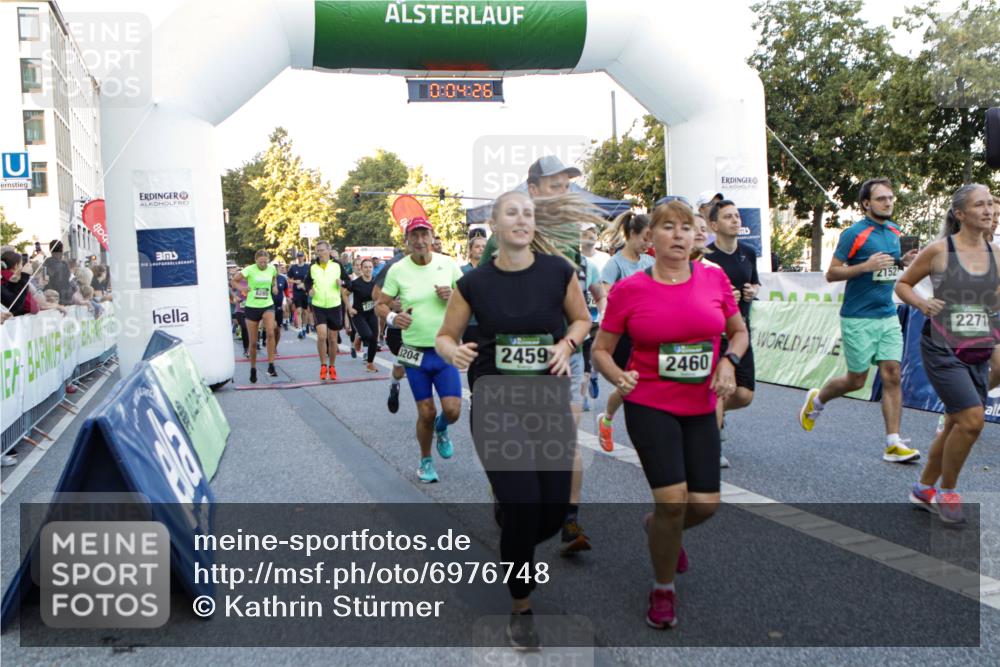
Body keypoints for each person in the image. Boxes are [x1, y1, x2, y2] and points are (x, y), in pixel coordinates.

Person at [436, 190, 591, 650]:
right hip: (496, 402)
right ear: (495, 224)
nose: (521, 220)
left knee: (548, 514)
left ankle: (510, 513)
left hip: (547, 404)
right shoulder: (474, 284)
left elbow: (581, 321)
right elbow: (446, 336)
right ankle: (521, 608)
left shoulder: (558, 272)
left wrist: (566, 345)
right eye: (512, 213)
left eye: (527, 213)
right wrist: (454, 351)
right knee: (526, 510)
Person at [592, 199, 748, 629]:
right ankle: (663, 589)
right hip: (649, 403)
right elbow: (600, 350)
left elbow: (738, 332)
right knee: (673, 501)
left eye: (686, 227)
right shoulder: (630, 290)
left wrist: (728, 362)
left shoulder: (713, 280)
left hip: (700, 406)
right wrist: (618, 376)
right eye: (668, 227)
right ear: (650, 239)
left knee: (706, 504)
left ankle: (660, 527)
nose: (679, 235)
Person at [799, 178, 921, 463]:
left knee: (892, 373)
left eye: (891, 197)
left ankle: (893, 443)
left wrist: (904, 261)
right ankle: (817, 400)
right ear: (866, 203)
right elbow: (832, 273)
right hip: (858, 317)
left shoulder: (894, 231)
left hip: (887, 314)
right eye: (881, 199)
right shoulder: (854, 234)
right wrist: (865, 266)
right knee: (856, 380)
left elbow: (889, 267)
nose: (888, 202)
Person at [896, 184, 996, 524]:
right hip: (942, 347)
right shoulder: (939, 250)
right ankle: (947, 491)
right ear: (960, 214)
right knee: (971, 420)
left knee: (955, 422)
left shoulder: (996, 253)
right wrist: (923, 303)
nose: (988, 210)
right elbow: (903, 284)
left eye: (991, 205)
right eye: (980, 205)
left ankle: (923, 488)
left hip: (979, 347)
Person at [375, 217, 463, 483]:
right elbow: (381, 303)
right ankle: (425, 461)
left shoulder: (447, 264)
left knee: (453, 411)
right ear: (407, 241)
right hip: (413, 350)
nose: (420, 241)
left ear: (432, 237)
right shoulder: (398, 270)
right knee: (426, 411)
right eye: (414, 236)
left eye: (424, 235)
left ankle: (442, 429)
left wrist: (454, 296)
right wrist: (392, 318)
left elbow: (470, 296)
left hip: (444, 347)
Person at [705, 200, 761, 468]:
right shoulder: (706, 257)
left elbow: (756, 281)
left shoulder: (748, 252)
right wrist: (723, 298)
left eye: (737, 216)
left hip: (741, 332)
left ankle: (707, 415)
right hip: (715, 333)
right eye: (728, 217)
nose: (736, 221)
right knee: (716, 391)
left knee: (744, 395)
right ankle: (711, 448)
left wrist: (752, 292)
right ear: (714, 225)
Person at [596, 211, 654, 452]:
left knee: (641, 384)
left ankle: (607, 419)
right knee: (633, 384)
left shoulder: (651, 263)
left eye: (651, 239)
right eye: (645, 238)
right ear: (631, 234)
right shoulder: (615, 264)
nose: (649, 244)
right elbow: (605, 297)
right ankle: (609, 419)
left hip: (650, 333)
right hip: (624, 336)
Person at [304, 240, 350, 381]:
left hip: (334, 305)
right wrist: (309, 290)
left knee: (332, 338)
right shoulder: (313, 266)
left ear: (329, 251)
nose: (320, 253)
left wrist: (341, 283)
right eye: (317, 251)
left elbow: (348, 282)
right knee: (322, 336)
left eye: (322, 250)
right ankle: (323, 365)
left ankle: (332, 366)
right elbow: (307, 281)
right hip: (318, 305)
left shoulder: (337, 265)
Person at [230, 250, 279, 383]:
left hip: (267, 304)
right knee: (253, 342)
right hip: (252, 306)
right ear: (256, 260)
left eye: (265, 261)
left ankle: (271, 365)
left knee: (270, 333)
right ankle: (253, 368)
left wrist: (274, 287)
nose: (263, 264)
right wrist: (242, 289)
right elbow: (234, 281)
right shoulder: (249, 270)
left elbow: (274, 278)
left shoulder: (272, 269)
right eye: (260, 262)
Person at [374, 247, 409, 412]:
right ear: (406, 243)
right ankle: (394, 385)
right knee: (401, 367)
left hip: (424, 328)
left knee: (424, 368)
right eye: (414, 237)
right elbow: (376, 295)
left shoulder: (435, 263)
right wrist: (392, 305)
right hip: (398, 325)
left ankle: (428, 409)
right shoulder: (393, 265)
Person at [347, 258, 380, 373]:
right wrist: (349, 308)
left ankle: (370, 364)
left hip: (372, 313)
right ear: (361, 269)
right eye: (365, 267)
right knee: (368, 335)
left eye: (370, 267)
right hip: (358, 314)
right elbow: (344, 293)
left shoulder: (376, 282)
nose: (368, 269)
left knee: (374, 339)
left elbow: (380, 296)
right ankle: (360, 336)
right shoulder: (356, 283)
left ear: (373, 268)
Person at [288, 251, 311, 338]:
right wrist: (295, 281)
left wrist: (305, 285)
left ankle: (305, 327)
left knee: (305, 311)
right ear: (297, 258)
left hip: (305, 291)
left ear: (304, 257)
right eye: (299, 257)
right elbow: (289, 279)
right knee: (298, 311)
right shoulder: (293, 267)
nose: (300, 258)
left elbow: (311, 279)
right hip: (297, 291)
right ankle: (300, 329)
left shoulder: (307, 267)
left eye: (301, 256)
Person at [42, 240, 73, 305]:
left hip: (50, 300)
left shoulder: (45, 264)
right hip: (65, 299)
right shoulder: (64, 265)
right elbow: (69, 282)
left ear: (50, 250)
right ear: (61, 250)